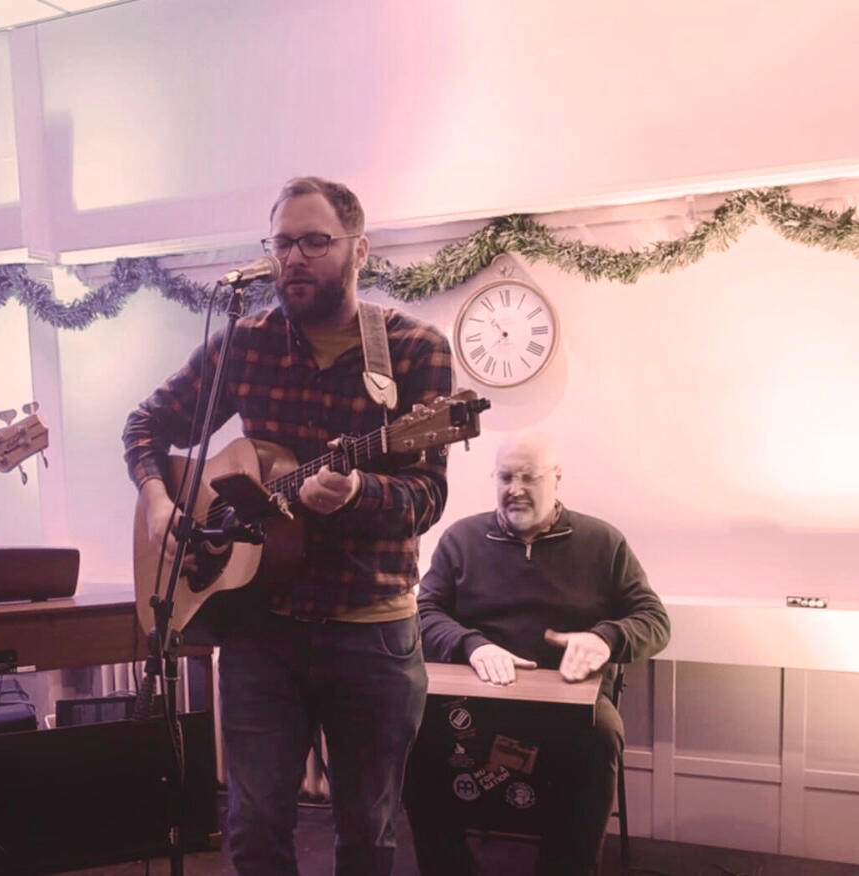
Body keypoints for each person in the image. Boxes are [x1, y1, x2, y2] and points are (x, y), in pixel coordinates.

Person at [123, 176, 453, 875]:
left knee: (367, 830)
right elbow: (147, 423)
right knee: (255, 826)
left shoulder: (412, 348)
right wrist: (158, 499)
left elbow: (426, 495)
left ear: (358, 249)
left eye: (313, 241)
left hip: (370, 629)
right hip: (258, 626)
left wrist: (358, 490)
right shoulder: (244, 342)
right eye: (281, 242)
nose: (293, 258)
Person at [407, 430, 670, 875]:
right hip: (473, 701)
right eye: (506, 477)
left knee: (602, 735)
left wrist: (605, 638)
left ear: (557, 478)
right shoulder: (461, 540)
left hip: (569, 707)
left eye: (530, 477)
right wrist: (471, 644)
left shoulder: (602, 543)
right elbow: (425, 611)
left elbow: (654, 619)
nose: (516, 489)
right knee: (409, 731)